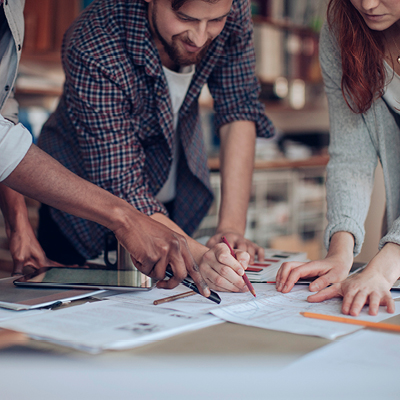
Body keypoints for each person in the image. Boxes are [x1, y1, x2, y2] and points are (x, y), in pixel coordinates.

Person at [37, 0, 275, 292]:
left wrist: (231, 229)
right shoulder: (95, 39)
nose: (200, 37)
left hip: (169, 211)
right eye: (185, 18)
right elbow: (121, 185)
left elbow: (238, 107)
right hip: (83, 220)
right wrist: (201, 257)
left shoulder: (229, 5)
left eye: (215, 21)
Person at [0, 0, 212, 297]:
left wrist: (18, 224)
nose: (200, 37)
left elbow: (2, 119)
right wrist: (124, 217)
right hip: (79, 225)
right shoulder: (95, 38)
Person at [276, 0, 400, 316]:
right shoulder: (343, 28)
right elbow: (351, 155)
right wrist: (339, 253)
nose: (367, 4)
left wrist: (385, 265)